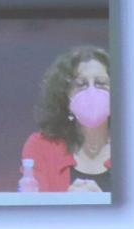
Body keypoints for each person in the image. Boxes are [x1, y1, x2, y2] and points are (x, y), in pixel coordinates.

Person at [21, 46, 111, 193]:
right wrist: (67, 204)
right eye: (81, 85)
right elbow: (33, 212)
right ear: (65, 96)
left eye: (100, 83)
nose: (91, 92)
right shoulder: (41, 146)